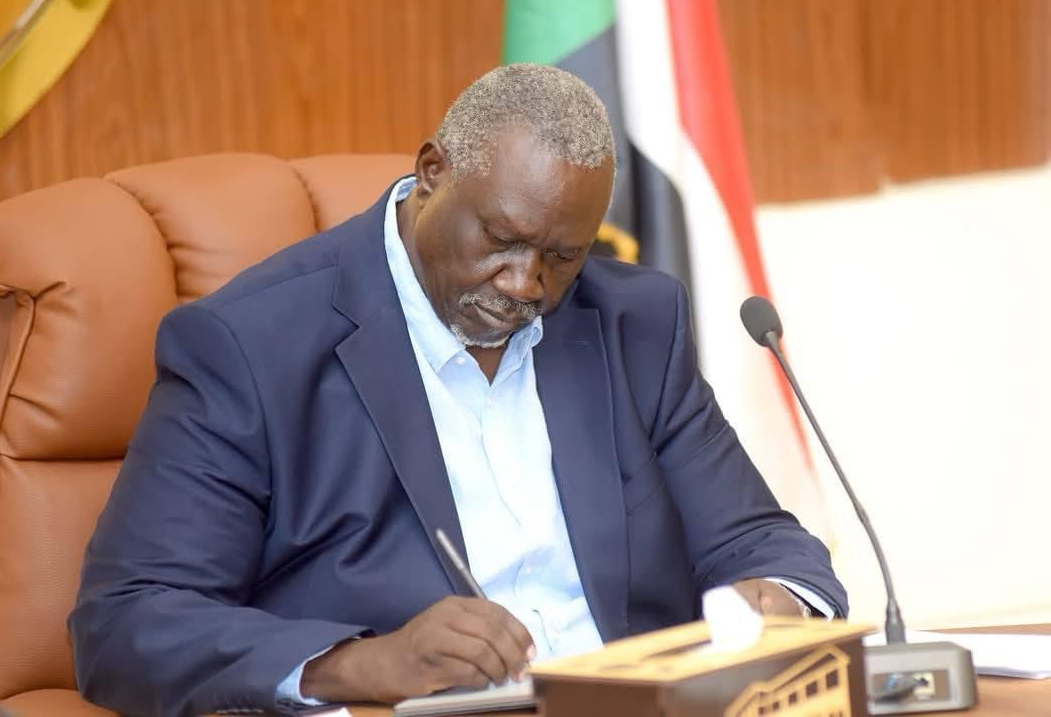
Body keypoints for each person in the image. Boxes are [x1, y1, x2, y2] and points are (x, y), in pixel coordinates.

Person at [69, 64, 846, 717]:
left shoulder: (633, 324)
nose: (525, 283)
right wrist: (363, 663)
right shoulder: (251, 346)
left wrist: (774, 603)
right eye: (502, 240)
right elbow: (127, 622)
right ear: (432, 173)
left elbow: (762, 546)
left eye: (562, 256)